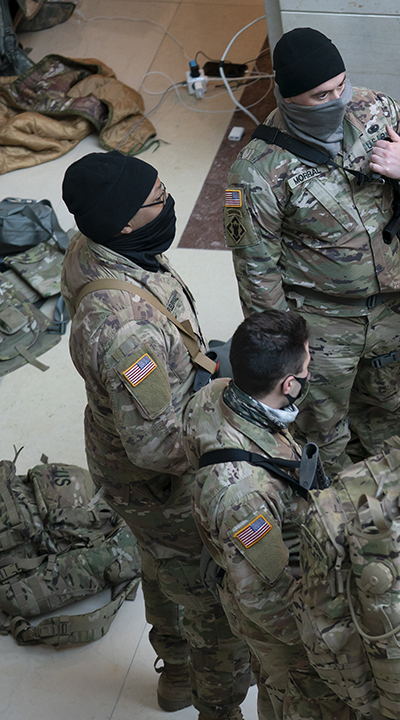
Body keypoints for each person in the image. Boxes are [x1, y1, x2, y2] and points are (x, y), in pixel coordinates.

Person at [60, 152, 251, 719]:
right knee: (204, 591)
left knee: (160, 563)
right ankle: (218, 703)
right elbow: (154, 445)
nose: (170, 205)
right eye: (158, 201)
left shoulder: (93, 247)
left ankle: (175, 672)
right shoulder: (128, 331)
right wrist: (230, 434)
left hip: (122, 445)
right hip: (157, 477)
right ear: (122, 222)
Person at [225, 27, 400, 470]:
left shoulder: (378, 112)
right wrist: (289, 348)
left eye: (341, 86)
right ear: (288, 97)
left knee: (391, 411)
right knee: (321, 432)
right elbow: (257, 272)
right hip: (320, 323)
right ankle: (332, 521)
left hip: (391, 307)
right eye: (320, 95)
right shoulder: (257, 170)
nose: (337, 100)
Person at [182, 310, 350, 720]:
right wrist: (324, 643)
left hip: (252, 559)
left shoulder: (216, 392)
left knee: (275, 688)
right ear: (288, 384)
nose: (309, 373)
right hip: (285, 625)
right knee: (296, 694)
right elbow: (264, 596)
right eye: (307, 367)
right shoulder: (245, 497)